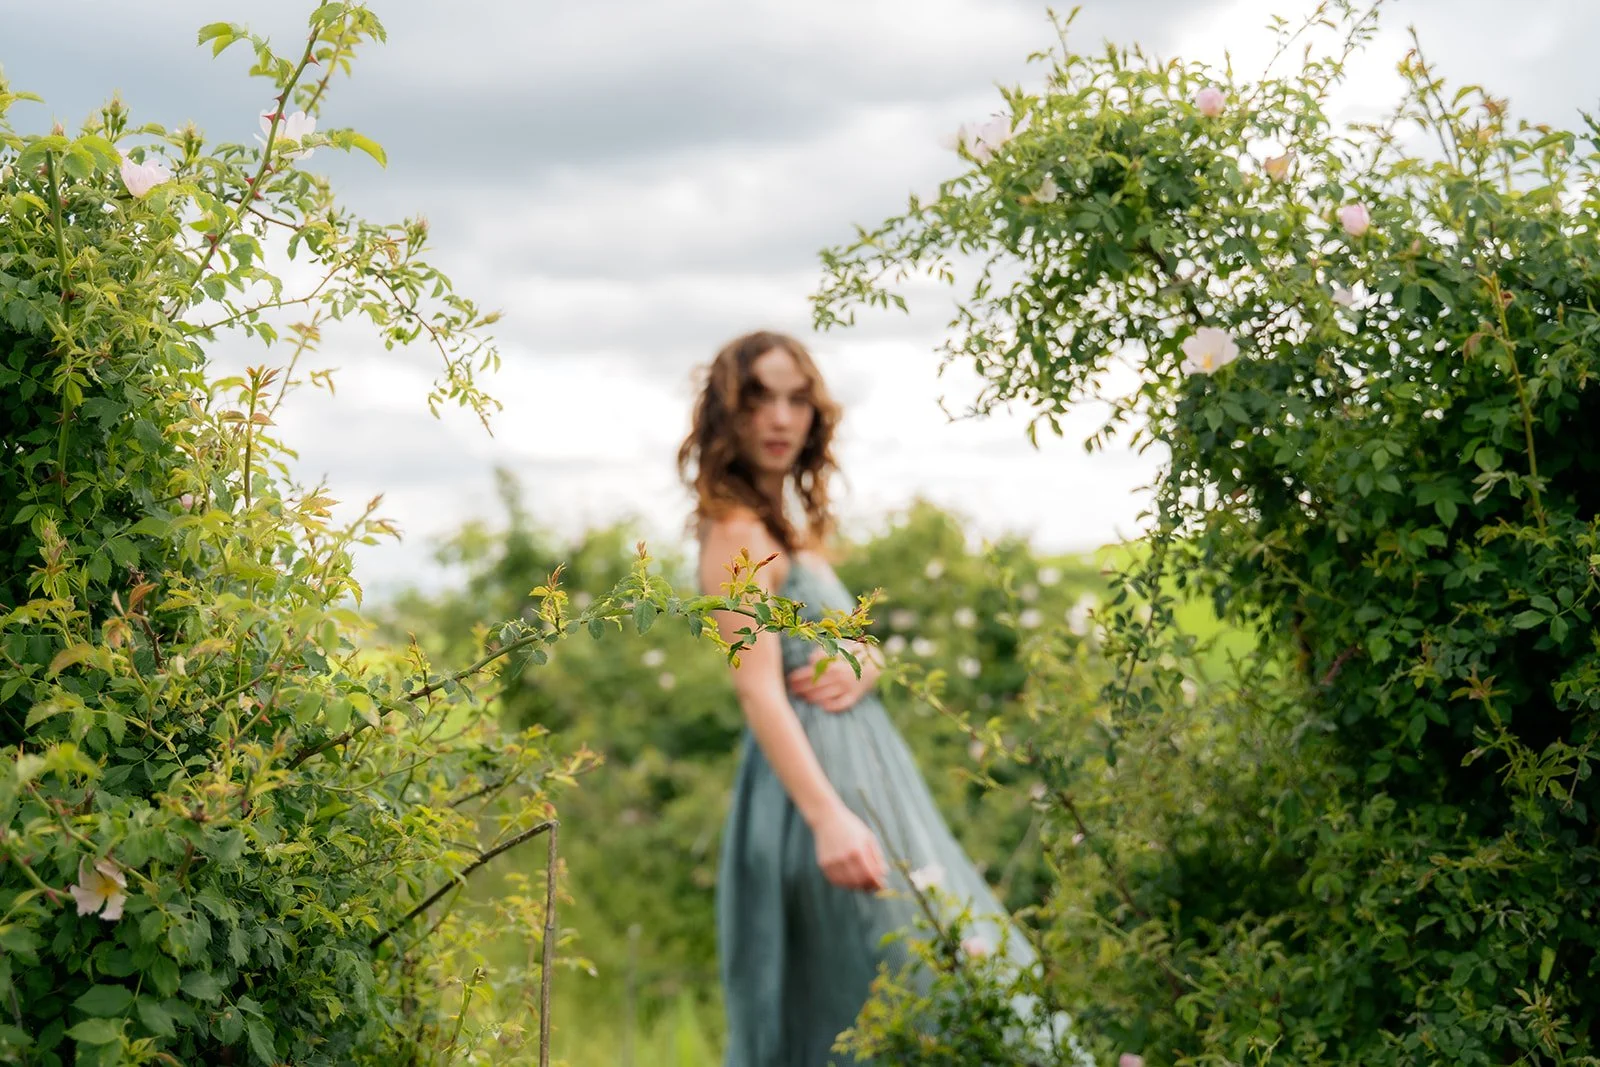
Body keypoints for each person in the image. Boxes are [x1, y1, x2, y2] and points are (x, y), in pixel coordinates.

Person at [678, 330, 1081, 1066]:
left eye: (797, 399)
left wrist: (866, 657)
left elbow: (821, 638)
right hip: (815, 805)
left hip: (867, 782)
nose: (780, 417)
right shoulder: (736, 532)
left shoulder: (786, 529)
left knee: (936, 976)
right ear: (726, 413)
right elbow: (758, 688)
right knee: (879, 992)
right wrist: (830, 818)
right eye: (760, 396)